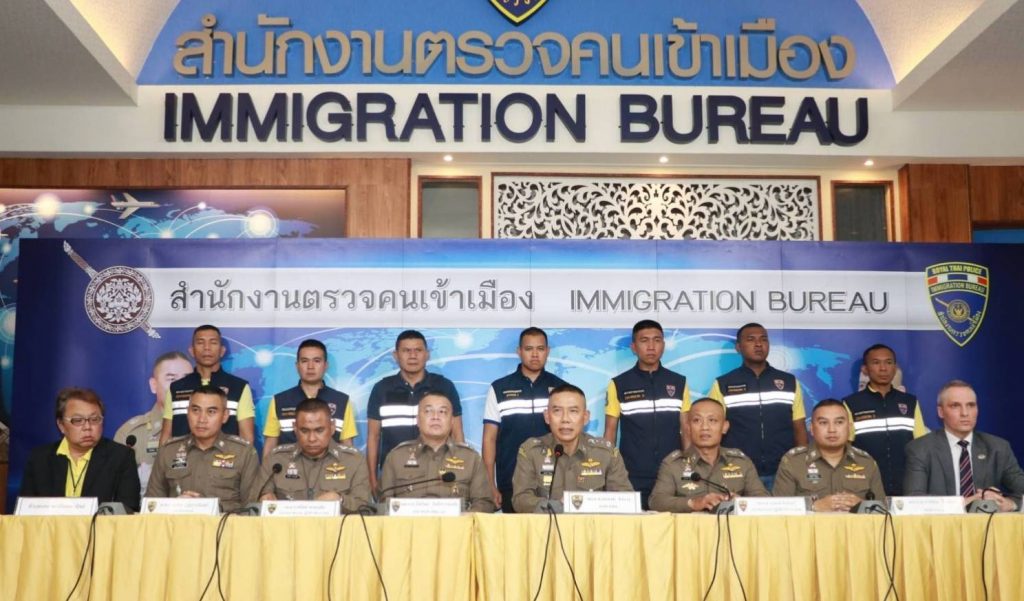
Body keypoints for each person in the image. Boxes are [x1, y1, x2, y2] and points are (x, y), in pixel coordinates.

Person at [693, 323, 808, 490]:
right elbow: (713, 429)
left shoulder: (789, 382)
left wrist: (802, 465)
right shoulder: (723, 384)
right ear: (738, 347)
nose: (758, 344)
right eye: (751, 339)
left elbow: (799, 428)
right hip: (737, 471)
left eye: (763, 339)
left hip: (783, 471)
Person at [604, 320, 689, 509]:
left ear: (663, 345)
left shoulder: (679, 382)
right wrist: (608, 470)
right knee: (634, 525)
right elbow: (610, 432)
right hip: (632, 474)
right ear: (634, 347)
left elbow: (687, 429)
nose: (651, 346)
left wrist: (690, 466)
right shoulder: (619, 384)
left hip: (673, 473)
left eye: (657, 340)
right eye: (644, 341)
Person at [366, 330, 463, 494]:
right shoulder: (381, 389)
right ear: (396, 355)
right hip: (394, 476)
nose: (412, 356)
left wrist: (460, 472)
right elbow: (373, 437)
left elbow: (457, 433)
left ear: (427, 355)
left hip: (439, 475)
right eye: (406, 350)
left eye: (418, 350)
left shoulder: (444, 386)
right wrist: (372, 479)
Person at [904, 380, 1024, 511]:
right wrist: (966, 502)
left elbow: (1021, 489)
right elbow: (913, 500)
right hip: (942, 524)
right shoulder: (920, 449)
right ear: (941, 412)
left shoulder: (998, 448)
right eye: (955, 406)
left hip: (987, 523)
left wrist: (1011, 504)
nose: (965, 413)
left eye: (971, 405)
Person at [482, 327, 567, 512]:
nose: (535, 354)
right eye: (529, 349)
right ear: (519, 351)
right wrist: (489, 483)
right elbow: (489, 438)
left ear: (548, 351)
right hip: (511, 481)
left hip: (555, 482)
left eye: (540, 349)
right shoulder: (499, 388)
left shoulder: (562, 389)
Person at [512, 384, 633, 513]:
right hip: (548, 525)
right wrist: (555, 506)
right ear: (547, 416)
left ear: (585, 417)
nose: (565, 419)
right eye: (557, 411)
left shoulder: (605, 453)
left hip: (592, 525)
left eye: (573, 411)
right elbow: (520, 500)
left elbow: (625, 499)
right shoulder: (531, 451)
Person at [21, 387, 140, 512]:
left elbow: (128, 508)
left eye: (94, 420)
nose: (87, 427)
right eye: (78, 420)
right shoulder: (40, 459)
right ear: (61, 425)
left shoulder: (121, 457)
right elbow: (25, 511)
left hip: (98, 525)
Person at [146, 385, 260, 513]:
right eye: (195, 410)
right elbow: (151, 506)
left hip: (223, 525)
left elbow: (253, 510)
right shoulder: (168, 451)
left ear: (225, 416)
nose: (201, 419)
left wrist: (208, 507)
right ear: (188, 412)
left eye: (211, 412)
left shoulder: (243, 453)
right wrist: (175, 505)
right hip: (177, 524)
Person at [379, 391, 494, 512]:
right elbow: (384, 504)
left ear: (452, 421)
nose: (435, 417)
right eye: (428, 411)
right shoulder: (396, 457)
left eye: (442, 412)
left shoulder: (471, 459)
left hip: (457, 524)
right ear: (418, 420)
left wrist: (466, 519)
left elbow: (484, 503)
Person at [649, 397, 768, 513]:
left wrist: (741, 502)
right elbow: (656, 501)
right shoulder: (673, 465)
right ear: (688, 427)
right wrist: (693, 503)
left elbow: (764, 501)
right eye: (697, 420)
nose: (705, 427)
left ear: (725, 427)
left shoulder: (741, 462)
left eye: (712, 420)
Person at [843, 344, 927, 495]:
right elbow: (846, 449)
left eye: (888, 362)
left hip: (906, 485)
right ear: (865, 369)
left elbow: (921, 445)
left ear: (895, 367)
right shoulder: (851, 403)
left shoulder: (910, 402)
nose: (883, 368)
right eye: (876, 363)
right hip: (865, 485)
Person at [259, 398, 371, 513]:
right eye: (304, 431)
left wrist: (340, 499)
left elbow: (365, 508)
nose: (312, 439)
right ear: (295, 428)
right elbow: (255, 503)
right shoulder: (276, 460)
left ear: (332, 427)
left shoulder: (354, 461)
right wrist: (264, 499)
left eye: (319, 430)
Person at [773, 399, 885, 512]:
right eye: (823, 423)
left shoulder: (866, 462)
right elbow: (778, 511)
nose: (832, 430)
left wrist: (862, 506)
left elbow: (884, 512)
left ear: (849, 427)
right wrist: (813, 507)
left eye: (839, 422)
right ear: (812, 428)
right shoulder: (793, 462)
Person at [262, 339, 357, 462]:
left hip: (331, 471)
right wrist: (265, 471)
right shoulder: (280, 401)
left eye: (317, 361)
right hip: (289, 470)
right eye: (304, 361)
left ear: (325, 365)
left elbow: (347, 446)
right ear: (297, 366)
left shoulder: (341, 401)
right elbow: (270, 444)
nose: (310, 367)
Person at [159, 325, 255, 444]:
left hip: (226, 455)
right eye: (200, 342)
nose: (207, 348)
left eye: (213, 343)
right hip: (183, 455)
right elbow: (166, 435)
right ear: (192, 351)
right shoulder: (176, 388)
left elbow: (246, 438)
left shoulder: (239, 387)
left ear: (222, 351)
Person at [114, 351, 192, 492]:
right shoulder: (132, 434)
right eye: (172, 379)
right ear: (153, 385)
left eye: (188, 379)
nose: (181, 386)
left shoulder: (209, 428)